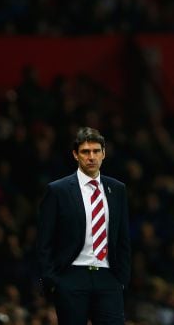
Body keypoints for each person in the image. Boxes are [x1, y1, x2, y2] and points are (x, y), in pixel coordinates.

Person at [36, 127, 131, 324]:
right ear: (75, 155)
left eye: (96, 151)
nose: (91, 157)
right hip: (71, 276)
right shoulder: (58, 190)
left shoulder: (117, 189)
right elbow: (44, 240)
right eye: (85, 152)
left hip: (108, 277)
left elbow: (123, 237)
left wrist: (121, 278)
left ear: (104, 153)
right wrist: (53, 280)